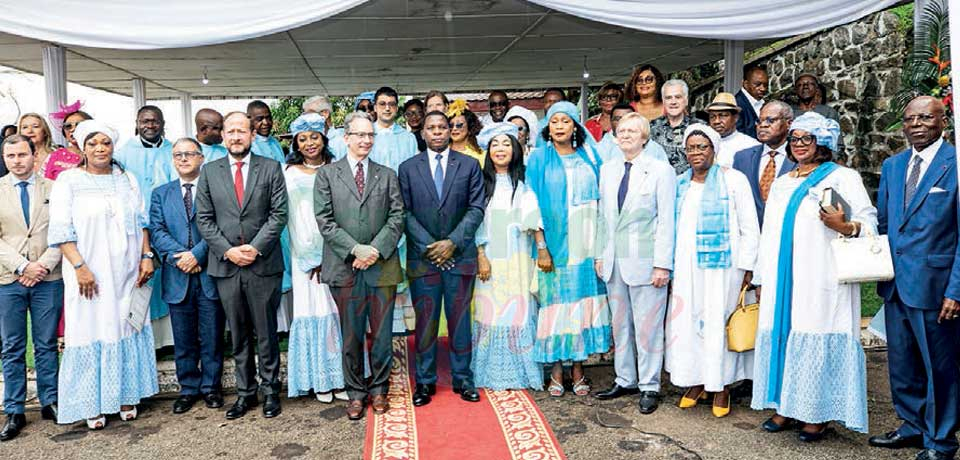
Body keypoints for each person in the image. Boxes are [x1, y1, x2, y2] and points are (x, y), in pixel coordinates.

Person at [750, 112, 874, 441]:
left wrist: (846, 227)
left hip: (821, 276)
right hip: (782, 276)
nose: (800, 145)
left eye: (808, 138)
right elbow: (769, 233)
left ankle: (815, 413)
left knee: (815, 330)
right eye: (795, 139)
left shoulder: (843, 177)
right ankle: (786, 406)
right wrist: (762, 277)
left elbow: (868, 221)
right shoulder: (783, 182)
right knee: (784, 332)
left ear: (823, 143)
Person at [48, 120, 158, 429]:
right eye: (93, 143)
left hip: (126, 271)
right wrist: (79, 266)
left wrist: (147, 256)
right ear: (82, 148)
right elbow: (60, 230)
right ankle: (90, 402)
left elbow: (141, 221)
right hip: (88, 273)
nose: (100, 148)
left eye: (106, 143)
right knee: (91, 329)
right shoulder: (68, 181)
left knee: (125, 326)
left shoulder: (127, 179)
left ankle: (125, 394)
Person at [870, 96, 960, 460]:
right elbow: (885, 224)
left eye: (926, 117)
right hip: (896, 286)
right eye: (910, 119)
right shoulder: (893, 166)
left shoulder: (954, 164)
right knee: (903, 364)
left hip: (936, 289)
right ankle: (911, 425)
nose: (917, 124)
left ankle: (941, 441)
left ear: (943, 121)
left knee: (940, 369)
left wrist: (956, 290)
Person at [195, 111, 288, 420]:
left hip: (263, 264)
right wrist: (229, 251)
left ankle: (271, 391)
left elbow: (278, 215)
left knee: (266, 331)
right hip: (227, 266)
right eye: (230, 131)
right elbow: (204, 220)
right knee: (238, 333)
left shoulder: (272, 168)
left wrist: (254, 248)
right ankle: (245, 394)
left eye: (242, 131)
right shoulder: (209, 172)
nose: (235, 136)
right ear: (223, 136)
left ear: (251, 135)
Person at [664, 124, 759, 419]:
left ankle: (721, 386)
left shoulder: (734, 180)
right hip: (686, 270)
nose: (696, 153)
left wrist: (747, 267)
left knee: (719, 324)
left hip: (723, 269)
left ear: (714, 149)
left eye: (702, 147)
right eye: (691, 147)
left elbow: (749, 227)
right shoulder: (680, 184)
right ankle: (695, 381)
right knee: (688, 326)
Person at [315, 111, 405, 420]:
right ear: (346, 138)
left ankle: (379, 390)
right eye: (360, 135)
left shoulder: (387, 174)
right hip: (345, 268)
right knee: (351, 334)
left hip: (382, 267)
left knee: (381, 334)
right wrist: (355, 249)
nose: (366, 140)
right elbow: (324, 221)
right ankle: (355, 393)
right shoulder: (327, 175)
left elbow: (397, 217)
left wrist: (375, 250)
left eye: (370, 135)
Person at [398, 110, 485, 406]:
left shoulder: (470, 165)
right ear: (422, 132)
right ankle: (424, 382)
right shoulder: (407, 168)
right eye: (430, 128)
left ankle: (463, 379)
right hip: (424, 259)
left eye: (442, 127)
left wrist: (451, 243)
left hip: (459, 257)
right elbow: (404, 212)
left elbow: (476, 209)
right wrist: (431, 247)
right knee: (425, 322)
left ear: (450, 131)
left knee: (460, 321)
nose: (436, 132)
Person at [592, 113, 675, 413]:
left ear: (644, 137)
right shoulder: (608, 170)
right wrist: (600, 254)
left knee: (648, 327)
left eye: (632, 130)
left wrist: (663, 264)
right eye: (621, 130)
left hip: (646, 261)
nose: (625, 134)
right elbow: (603, 217)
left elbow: (667, 221)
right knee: (621, 326)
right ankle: (625, 378)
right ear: (615, 137)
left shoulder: (660, 171)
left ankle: (650, 385)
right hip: (614, 261)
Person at [526, 101, 610, 398]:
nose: (560, 126)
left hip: (587, 245)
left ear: (576, 126)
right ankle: (557, 372)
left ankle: (578, 369)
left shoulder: (590, 157)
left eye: (566, 121)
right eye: (554, 121)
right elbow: (531, 204)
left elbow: (603, 202)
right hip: (555, 246)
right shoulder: (538, 159)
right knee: (557, 308)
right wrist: (542, 246)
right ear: (547, 127)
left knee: (582, 308)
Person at [148, 137, 225, 415]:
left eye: (189, 154)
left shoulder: (216, 189)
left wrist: (198, 255)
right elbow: (156, 231)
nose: (183, 159)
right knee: (183, 337)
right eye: (178, 154)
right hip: (177, 273)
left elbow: (220, 226)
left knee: (212, 335)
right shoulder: (161, 193)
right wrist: (182, 256)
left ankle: (211, 388)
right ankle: (189, 388)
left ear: (201, 157)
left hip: (209, 272)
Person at [0, 135, 62, 441]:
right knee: (12, 347)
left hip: (47, 277)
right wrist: (23, 266)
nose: (17, 161)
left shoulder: (55, 189)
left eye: (22, 154)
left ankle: (51, 401)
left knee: (46, 342)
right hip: (8, 279)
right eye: (10, 156)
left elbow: (64, 231)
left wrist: (43, 266)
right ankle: (14, 409)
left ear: (34, 155)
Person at [472, 123, 542, 391]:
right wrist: (481, 254)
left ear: (515, 149)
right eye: (495, 145)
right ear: (488, 151)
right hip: (490, 257)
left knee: (519, 310)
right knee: (491, 311)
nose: (500, 149)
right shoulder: (479, 184)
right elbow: (477, 222)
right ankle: (490, 374)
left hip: (519, 257)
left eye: (506, 144)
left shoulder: (524, 182)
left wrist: (542, 247)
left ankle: (523, 373)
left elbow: (534, 219)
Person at [282, 113, 345, 404]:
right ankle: (319, 379)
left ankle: (342, 377)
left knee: (339, 314)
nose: (309, 143)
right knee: (312, 311)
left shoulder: (337, 169)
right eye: (303, 139)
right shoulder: (289, 173)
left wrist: (333, 254)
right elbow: (291, 220)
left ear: (324, 138)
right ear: (296, 142)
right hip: (304, 259)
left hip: (338, 254)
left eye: (314, 137)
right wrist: (311, 257)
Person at [113, 105, 178, 334]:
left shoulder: (174, 150)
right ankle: (143, 333)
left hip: (170, 225)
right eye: (145, 121)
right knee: (142, 276)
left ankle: (168, 337)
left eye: (155, 121)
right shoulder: (121, 154)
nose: (150, 126)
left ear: (163, 124)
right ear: (137, 123)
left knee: (169, 277)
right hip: (137, 227)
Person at [732, 101, 797, 227]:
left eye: (770, 120)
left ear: (789, 123)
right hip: (750, 235)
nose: (763, 126)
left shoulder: (800, 159)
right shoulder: (742, 158)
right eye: (759, 121)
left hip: (786, 233)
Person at [649, 79, 706, 174]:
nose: (673, 102)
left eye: (678, 97)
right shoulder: (652, 127)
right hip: (661, 185)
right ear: (663, 101)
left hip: (692, 185)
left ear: (686, 100)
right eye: (668, 98)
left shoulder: (700, 127)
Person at [596, 104, 668, 163]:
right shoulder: (599, 149)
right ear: (611, 121)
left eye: (627, 118)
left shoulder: (653, 148)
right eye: (617, 119)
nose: (622, 122)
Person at [706, 92, 760, 167]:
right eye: (712, 117)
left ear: (736, 118)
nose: (717, 121)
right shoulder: (704, 144)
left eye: (723, 116)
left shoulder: (750, 145)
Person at [45, 101, 92, 180]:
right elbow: (47, 184)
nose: (72, 129)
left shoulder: (100, 152)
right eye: (68, 126)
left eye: (78, 125)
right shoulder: (56, 155)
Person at [447, 99, 485, 165]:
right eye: (451, 125)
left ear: (470, 128)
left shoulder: (480, 155)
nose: (454, 128)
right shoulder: (441, 152)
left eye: (459, 125)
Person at [735, 64, 768, 139]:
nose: (763, 88)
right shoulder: (736, 105)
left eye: (765, 85)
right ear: (745, 84)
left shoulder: (764, 103)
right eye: (758, 84)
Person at [17, 114, 55, 178]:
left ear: (45, 131)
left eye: (35, 126)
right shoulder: (15, 157)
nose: (29, 131)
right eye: (25, 127)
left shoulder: (57, 154)